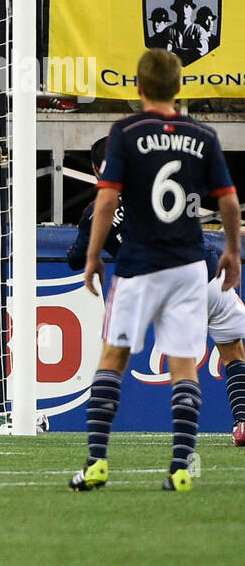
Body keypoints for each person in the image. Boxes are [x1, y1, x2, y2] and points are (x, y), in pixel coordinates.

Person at [73, 49, 241, 491]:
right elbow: (226, 199)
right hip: (189, 266)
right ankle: (181, 467)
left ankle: (96, 463)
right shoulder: (202, 135)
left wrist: (92, 256)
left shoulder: (125, 132)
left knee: (113, 359)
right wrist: (234, 252)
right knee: (184, 365)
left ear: (138, 88)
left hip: (139, 267)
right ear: (180, 88)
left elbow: (107, 199)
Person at [68, 135, 245, 449]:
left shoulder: (96, 210)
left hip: (147, 288)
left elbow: (74, 258)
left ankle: (98, 455)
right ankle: (239, 424)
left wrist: (95, 246)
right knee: (231, 351)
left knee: (115, 360)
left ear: (97, 170)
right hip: (201, 275)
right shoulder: (163, 186)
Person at [166, 0, 209, 64]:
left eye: (186, 6)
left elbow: (204, 50)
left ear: (192, 9)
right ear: (176, 10)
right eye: (180, 6)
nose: (183, 10)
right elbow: (167, 52)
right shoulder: (169, 31)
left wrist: (179, 51)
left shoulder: (199, 30)